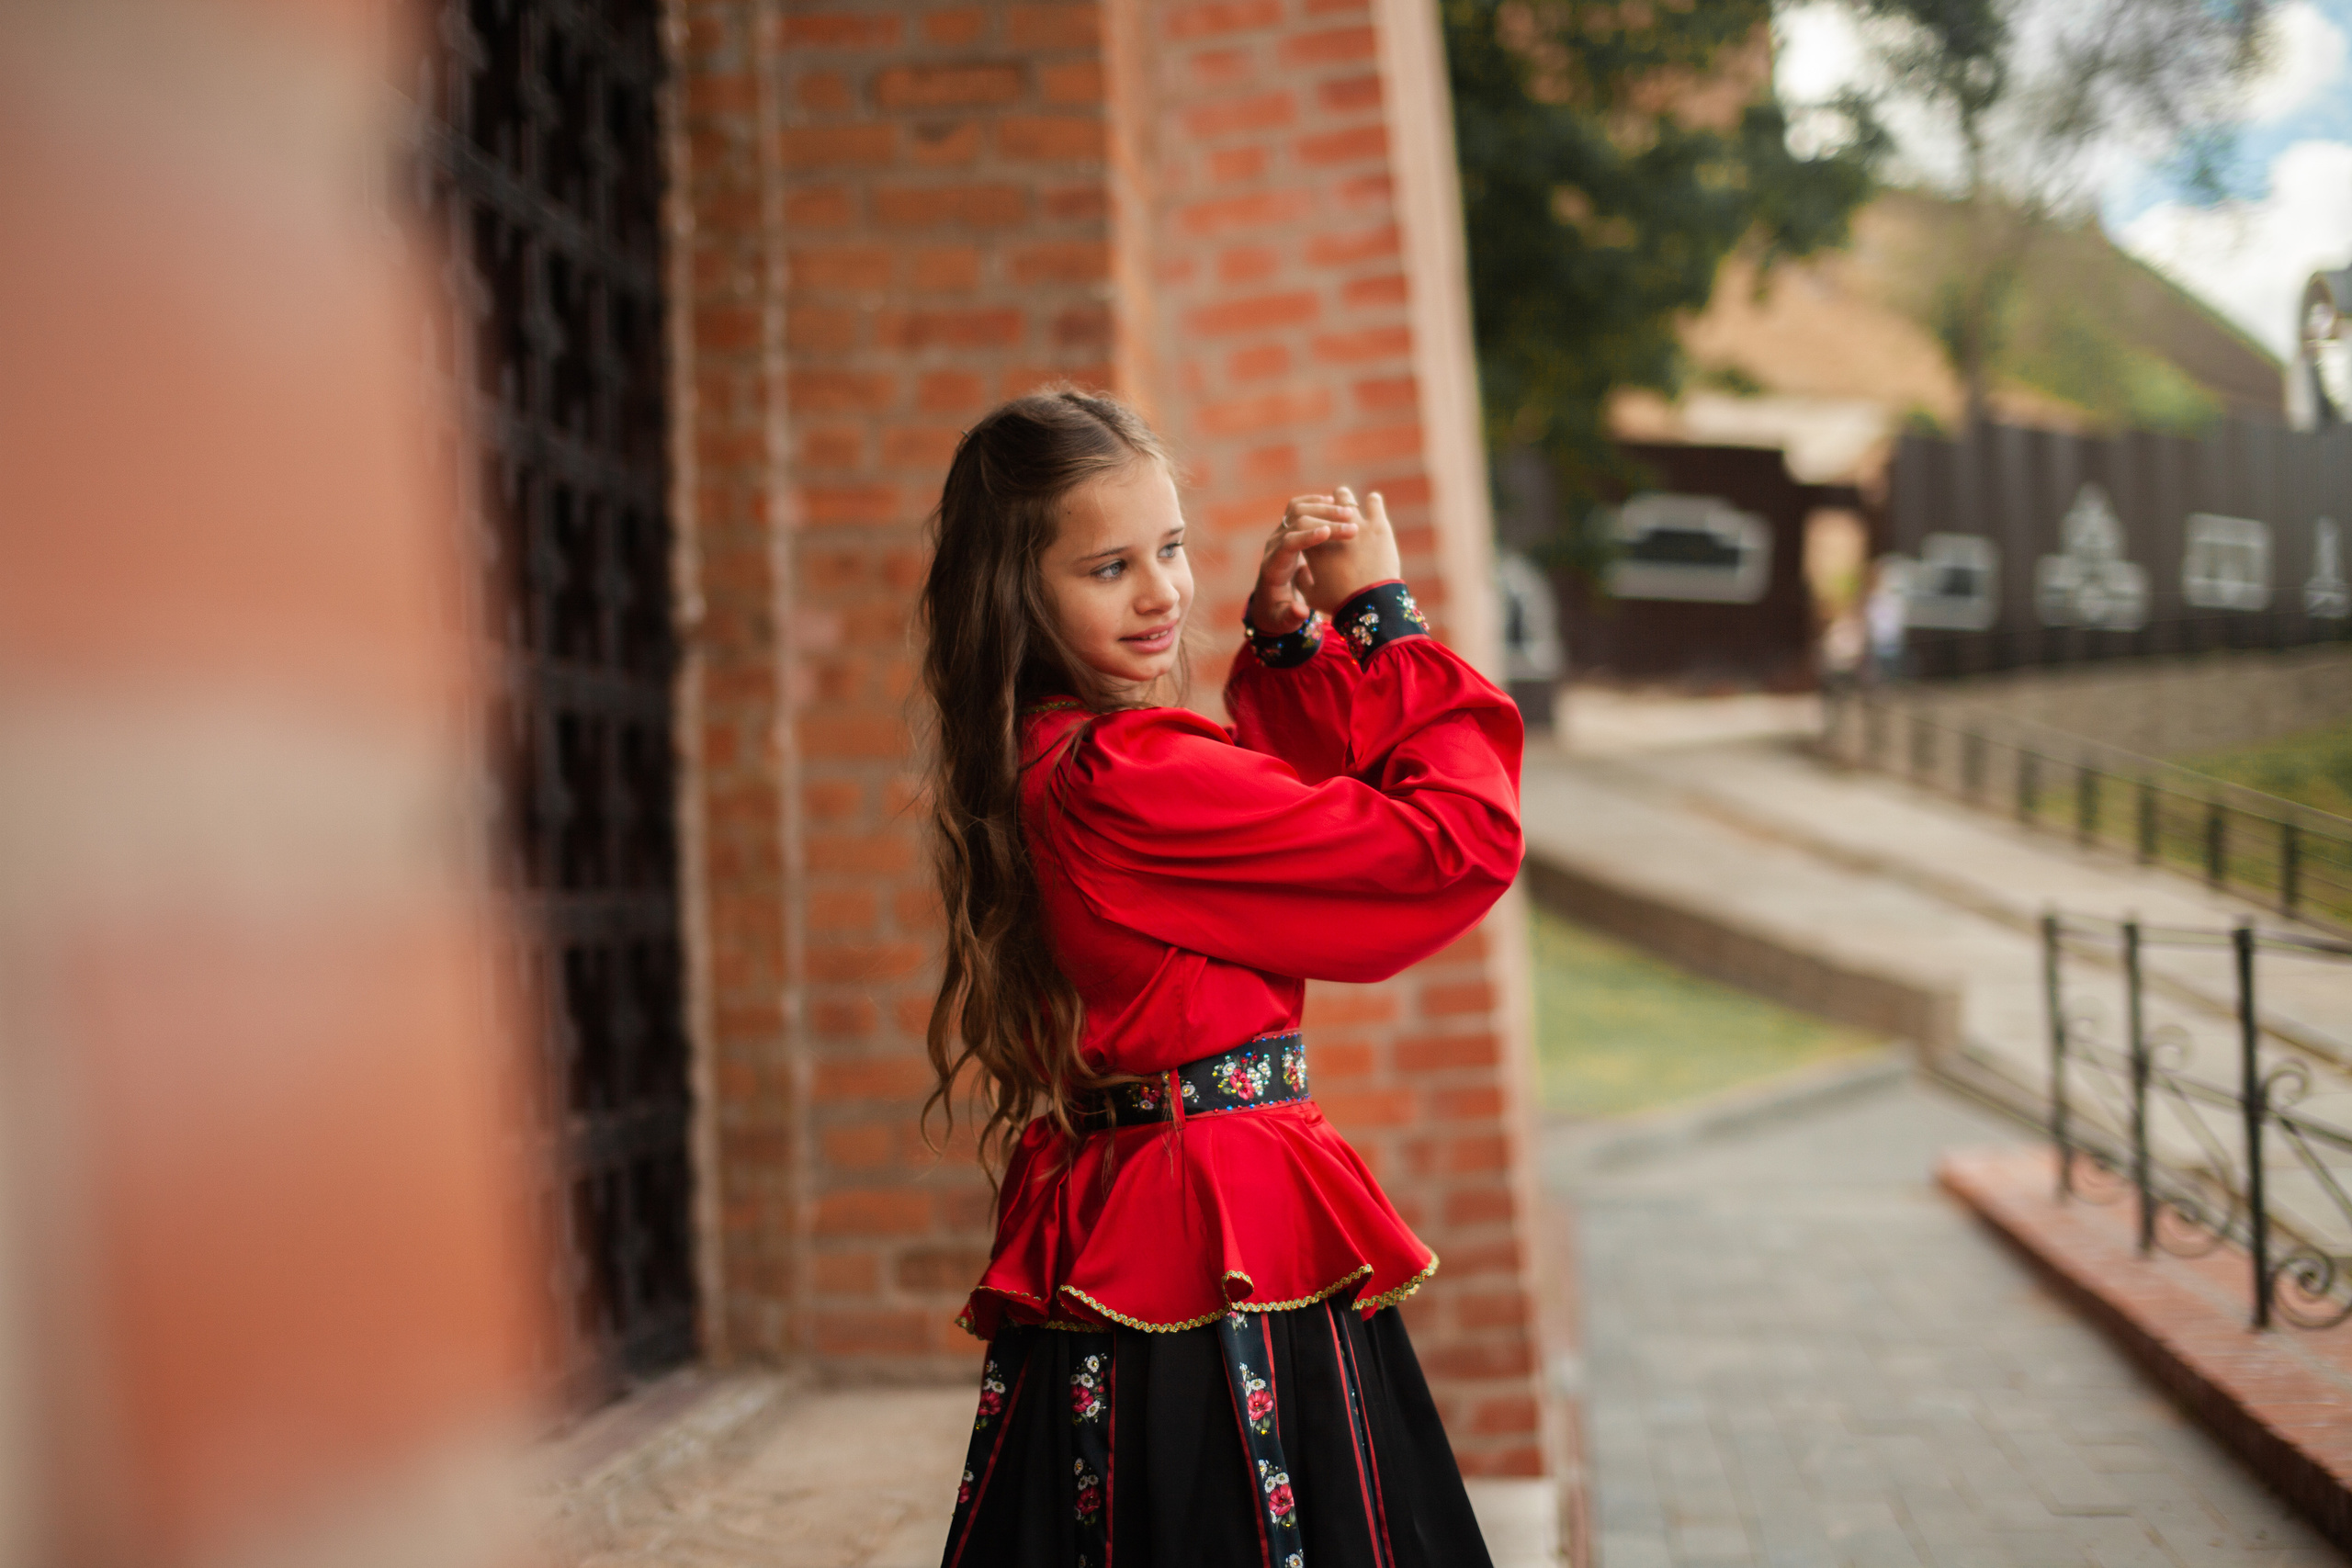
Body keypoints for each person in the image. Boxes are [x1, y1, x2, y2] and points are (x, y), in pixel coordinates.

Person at [918, 389, 1524, 1568]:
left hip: (1164, 1209)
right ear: (1017, 594)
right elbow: (1444, 852)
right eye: (1107, 568)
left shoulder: (1066, 763)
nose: (1160, 593)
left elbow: (1272, 860)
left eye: (1173, 548)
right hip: (1208, 1224)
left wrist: (1293, 648)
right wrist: (1384, 619)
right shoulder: (1124, 774)